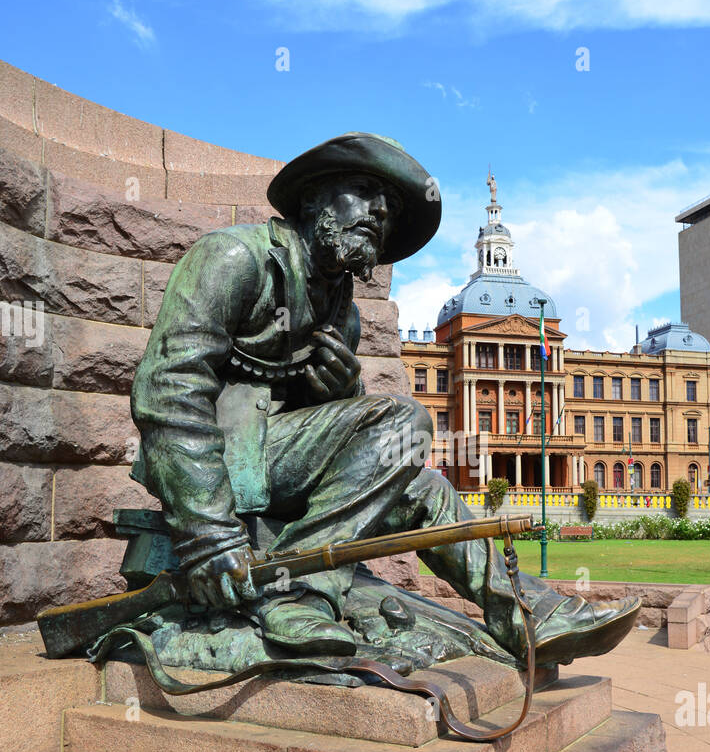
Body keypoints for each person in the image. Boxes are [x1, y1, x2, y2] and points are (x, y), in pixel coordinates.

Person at [131, 133, 638, 662]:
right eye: (364, 190)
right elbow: (168, 390)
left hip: (274, 466)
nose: (378, 211)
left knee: (428, 488)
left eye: (389, 207)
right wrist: (209, 534)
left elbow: (339, 443)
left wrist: (339, 391)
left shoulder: (341, 311)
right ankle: (296, 594)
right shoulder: (233, 257)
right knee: (407, 421)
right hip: (222, 463)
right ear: (312, 200)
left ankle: (528, 614)